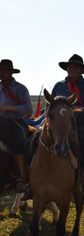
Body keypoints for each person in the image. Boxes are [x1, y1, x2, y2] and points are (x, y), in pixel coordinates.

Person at [51, 54, 84, 205]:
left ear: (81, 70)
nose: (71, 69)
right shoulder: (58, 86)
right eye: (69, 66)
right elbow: (50, 105)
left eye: (75, 67)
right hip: (57, 124)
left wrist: (77, 110)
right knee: (35, 142)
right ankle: (30, 183)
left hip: (78, 124)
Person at [0, 59, 33, 193]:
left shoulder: (20, 88)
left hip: (15, 122)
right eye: (0, 71)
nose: (1, 74)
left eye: (4, 71)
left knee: (20, 140)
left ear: (11, 72)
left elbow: (28, 110)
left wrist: (7, 107)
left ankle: (21, 176)